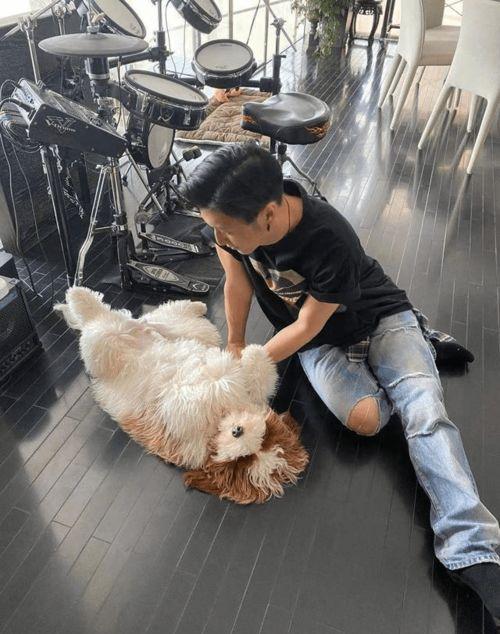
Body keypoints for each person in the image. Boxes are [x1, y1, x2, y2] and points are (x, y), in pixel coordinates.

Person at [180, 142, 500, 626]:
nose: (216, 235)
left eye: (224, 228)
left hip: (377, 316)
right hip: (319, 342)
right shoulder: (229, 226)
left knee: (424, 411)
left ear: (268, 216)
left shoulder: (330, 235)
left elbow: (308, 322)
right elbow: (239, 284)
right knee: (368, 421)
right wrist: (236, 344)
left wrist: (250, 366)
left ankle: (472, 549)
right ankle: (420, 350)